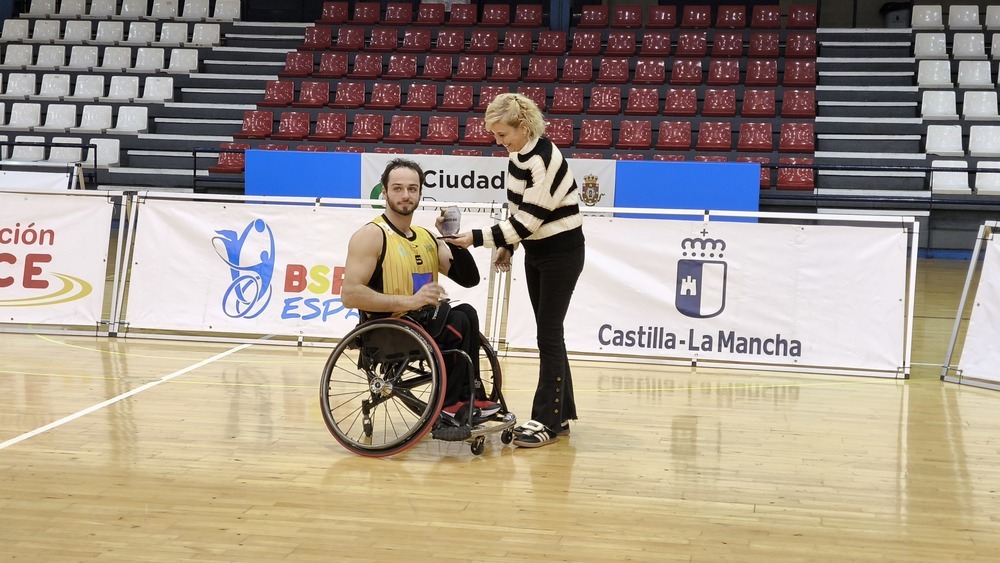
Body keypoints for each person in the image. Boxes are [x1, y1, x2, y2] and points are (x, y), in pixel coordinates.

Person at [449, 93, 585, 448]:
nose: (499, 142)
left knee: (548, 334)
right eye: (495, 135)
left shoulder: (546, 160)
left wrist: (477, 238)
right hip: (538, 251)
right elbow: (516, 211)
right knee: (549, 332)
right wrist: (507, 247)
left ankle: (546, 421)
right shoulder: (517, 156)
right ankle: (562, 414)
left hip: (563, 253)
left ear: (523, 127)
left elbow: (528, 219)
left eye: (503, 134)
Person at [341, 158, 500, 423]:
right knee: (457, 319)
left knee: (466, 313)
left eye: (412, 189)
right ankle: (451, 404)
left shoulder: (426, 237)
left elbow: (469, 279)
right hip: (388, 329)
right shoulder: (371, 235)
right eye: (398, 188)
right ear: (384, 191)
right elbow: (350, 295)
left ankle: (470, 393)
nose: (406, 195)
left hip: (423, 323)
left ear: (420, 193)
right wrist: (411, 300)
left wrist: (451, 237)